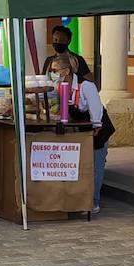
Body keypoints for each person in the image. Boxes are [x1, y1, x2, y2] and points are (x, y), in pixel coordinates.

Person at [47, 55, 112, 215]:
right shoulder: (60, 86)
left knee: (95, 166)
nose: (52, 74)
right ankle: (79, 200)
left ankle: (93, 202)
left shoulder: (85, 85)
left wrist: (96, 125)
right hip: (81, 130)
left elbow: (95, 107)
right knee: (82, 166)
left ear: (66, 71)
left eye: (55, 70)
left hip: (98, 129)